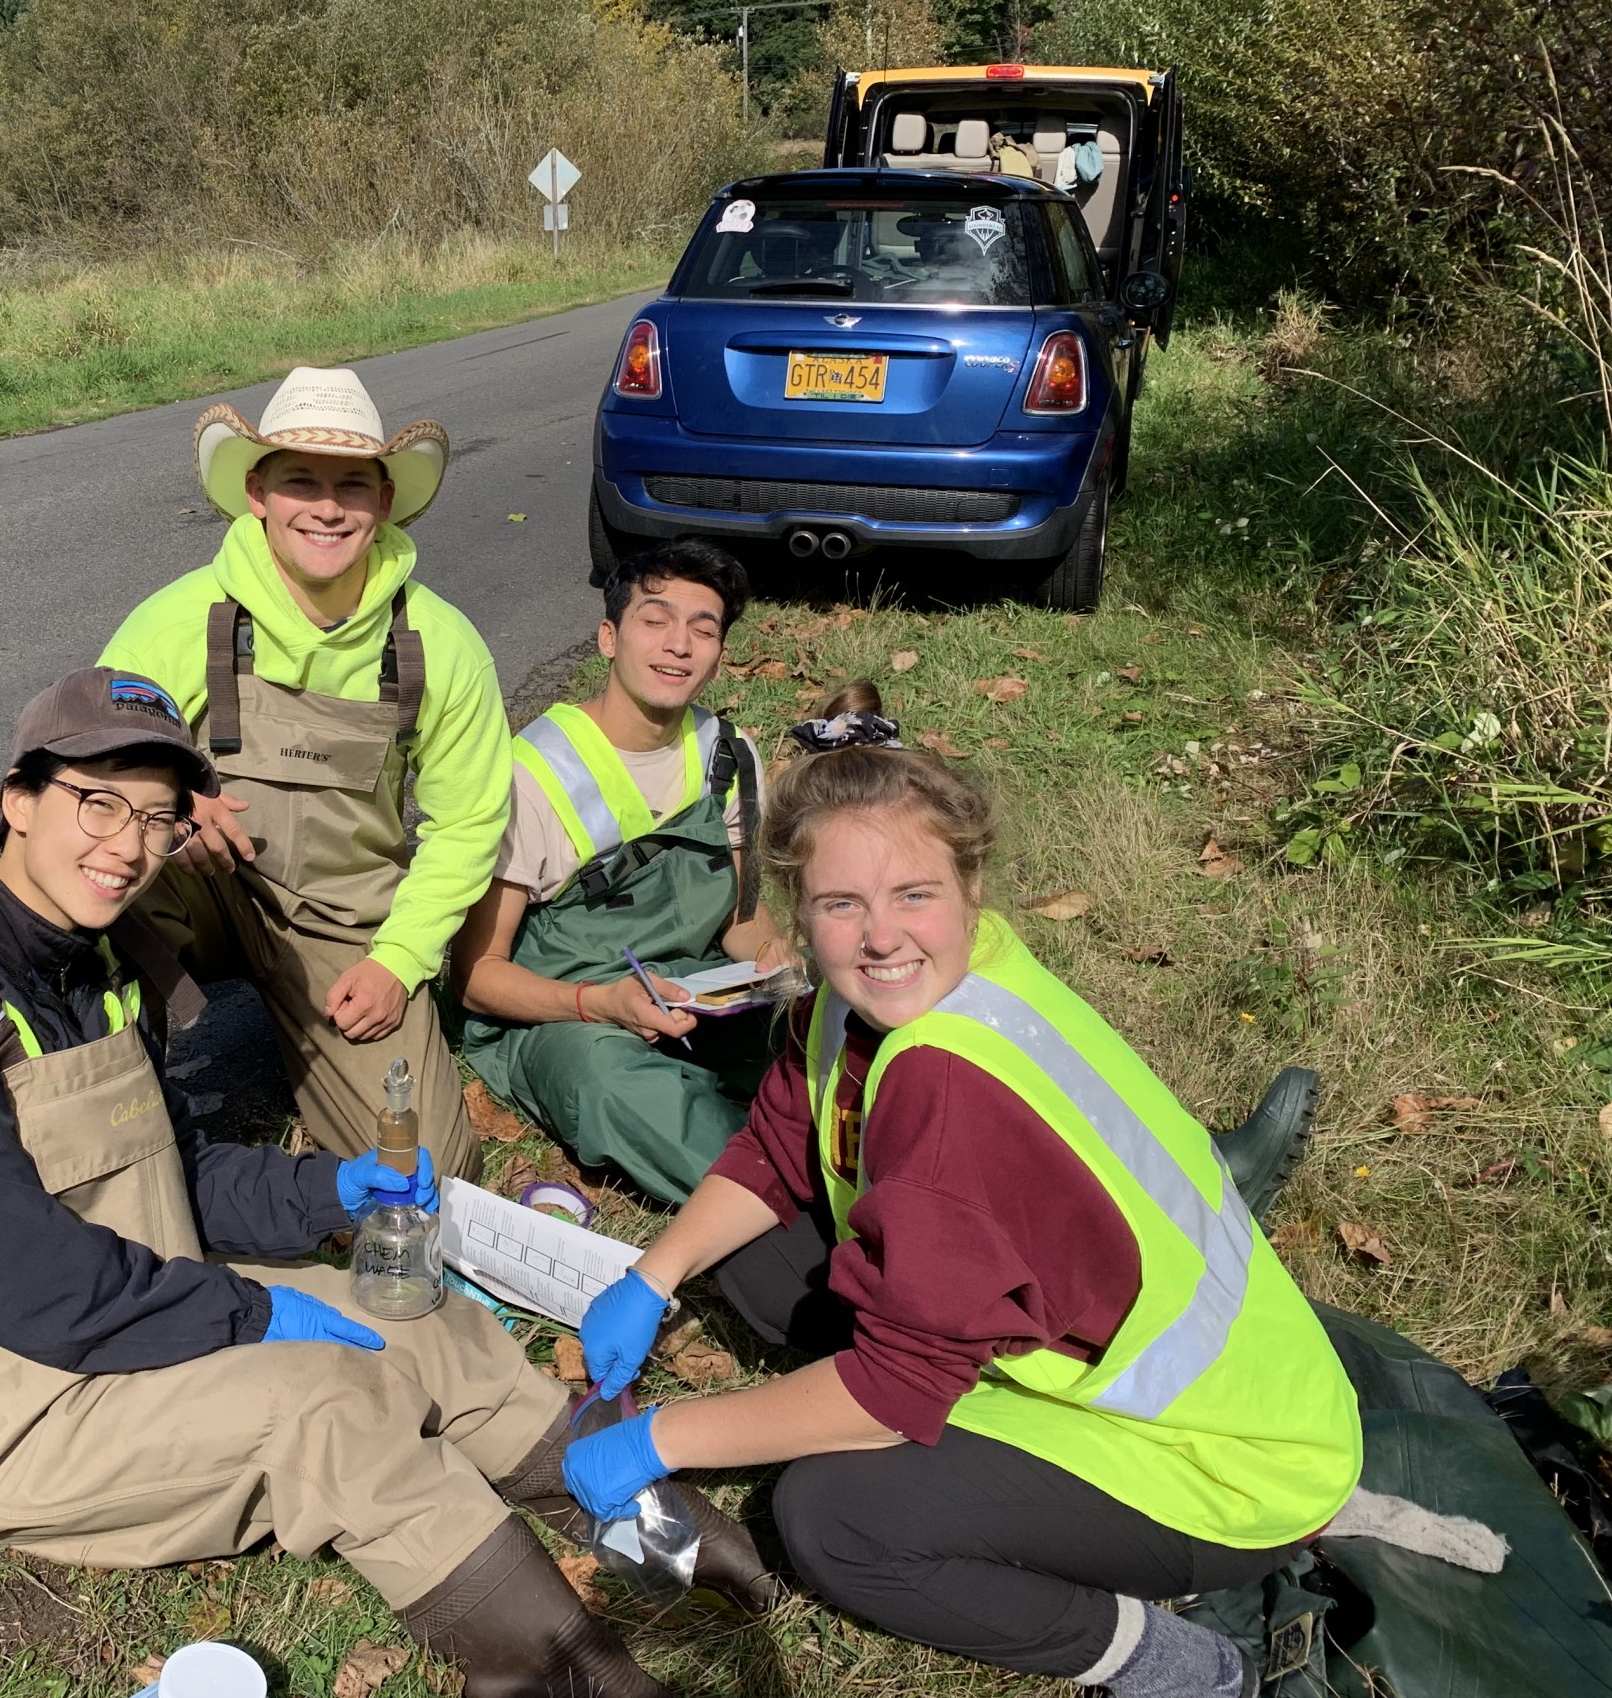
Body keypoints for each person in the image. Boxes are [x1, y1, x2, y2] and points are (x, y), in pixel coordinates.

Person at [0, 668, 739, 1692]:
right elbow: (30, 1288)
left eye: (155, 817)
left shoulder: (92, 966)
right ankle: (566, 1675)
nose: (127, 845)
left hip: (118, 1317)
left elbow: (167, 1174)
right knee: (329, 1402)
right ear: (17, 799)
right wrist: (245, 1312)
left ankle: (658, 1531)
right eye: (95, 802)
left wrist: (331, 1192)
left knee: (408, 1314)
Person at [556, 683, 1363, 1698]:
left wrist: (658, 1438)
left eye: (912, 896)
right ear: (797, 914)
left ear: (970, 891)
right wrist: (654, 1272)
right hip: (1094, 1331)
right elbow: (776, 1143)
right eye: (841, 904)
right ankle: (928, 1368)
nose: (878, 937)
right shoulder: (886, 996)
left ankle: (1175, 1665)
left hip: (1222, 1462)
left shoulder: (947, 1089)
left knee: (830, 1519)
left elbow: (894, 1393)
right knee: (761, 1262)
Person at [100, 366, 506, 1179]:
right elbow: (88, 774)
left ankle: (311, 1036)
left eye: (352, 485)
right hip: (199, 883)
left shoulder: (440, 641)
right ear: (257, 492)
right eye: (300, 481)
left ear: (384, 502)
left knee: (424, 1171)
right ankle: (103, 1092)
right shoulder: (174, 622)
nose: (327, 507)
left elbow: (467, 825)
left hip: (342, 917)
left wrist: (399, 961)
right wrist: (174, 810)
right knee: (99, 877)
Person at [451, 538, 790, 1203]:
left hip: (689, 994)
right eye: (655, 620)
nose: (679, 645)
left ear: (719, 654)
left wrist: (783, 969)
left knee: (815, 1033)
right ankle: (766, 1207)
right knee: (615, 1085)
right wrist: (602, 1003)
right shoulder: (532, 771)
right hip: (563, 1015)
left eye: (704, 628)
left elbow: (741, 918)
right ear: (609, 637)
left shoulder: (731, 753)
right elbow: (475, 977)